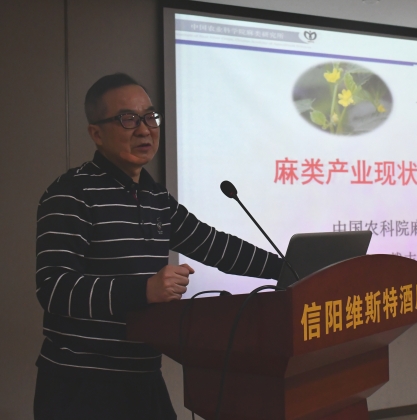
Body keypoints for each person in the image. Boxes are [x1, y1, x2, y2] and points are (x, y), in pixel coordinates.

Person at [33, 73, 283, 419]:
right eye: (128, 119)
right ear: (96, 133)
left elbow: (215, 246)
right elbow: (54, 289)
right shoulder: (71, 193)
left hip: (142, 375)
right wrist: (144, 289)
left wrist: (289, 270)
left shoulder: (155, 197)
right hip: (80, 383)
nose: (144, 130)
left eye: (150, 117)